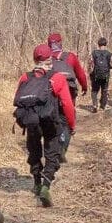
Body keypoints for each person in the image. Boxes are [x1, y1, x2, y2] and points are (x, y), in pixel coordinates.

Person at [13, 44, 75, 208]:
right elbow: (67, 105)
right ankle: (46, 185)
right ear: (51, 59)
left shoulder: (25, 77)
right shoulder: (57, 78)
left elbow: (19, 99)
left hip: (31, 120)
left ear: (34, 59)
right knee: (52, 151)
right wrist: (71, 124)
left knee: (34, 149)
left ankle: (36, 182)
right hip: (49, 120)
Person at [46, 33, 86, 161]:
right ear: (61, 43)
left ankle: (52, 148)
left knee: (52, 118)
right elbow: (80, 74)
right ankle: (62, 149)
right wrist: (84, 87)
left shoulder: (46, 58)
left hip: (51, 92)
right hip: (69, 92)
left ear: (49, 44)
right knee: (67, 119)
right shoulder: (71, 57)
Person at [88, 37, 112, 112]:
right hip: (105, 75)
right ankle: (103, 106)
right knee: (104, 90)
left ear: (98, 44)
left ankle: (95, 105)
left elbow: (90, 64)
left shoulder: (94, 53)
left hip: (96, 75)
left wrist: (90, 73)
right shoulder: (109, 54)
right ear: (106, 44)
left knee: (94, 91)